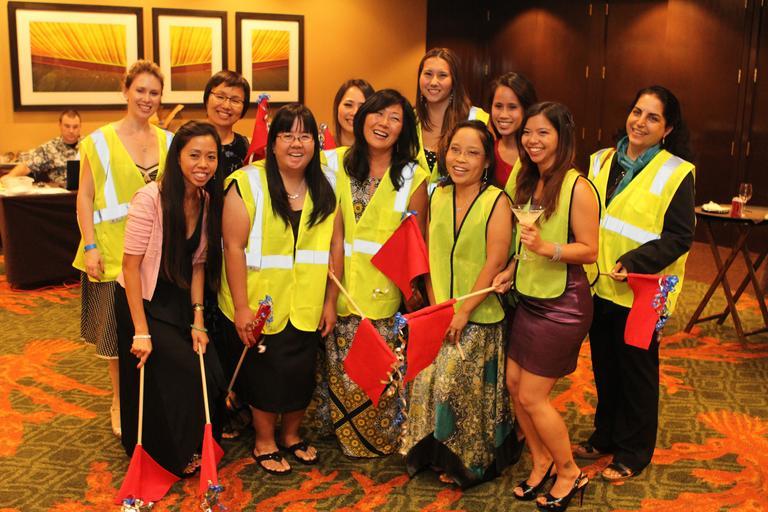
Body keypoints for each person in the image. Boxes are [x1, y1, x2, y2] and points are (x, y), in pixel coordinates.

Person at [575, 86, 695, 483]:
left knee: (637, 373)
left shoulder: (676, 172)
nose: (640, 122)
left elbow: (679, 237)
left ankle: (634, 451)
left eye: (653, 117)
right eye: (637, 112)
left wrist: (634, 261)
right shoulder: (600, 160)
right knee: (605, 366)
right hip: (600, 284)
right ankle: (606, 434)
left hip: (644, 290)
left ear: (668, 128)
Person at [218, 104, 343, 475]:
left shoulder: (327, 183)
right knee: (265, 373)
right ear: (272, 143)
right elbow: (233, 247)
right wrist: (241, 307)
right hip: (260, 301)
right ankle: (264, 440)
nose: (296, 143)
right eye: (287, 135)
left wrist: (331, 300)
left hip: (306, 300)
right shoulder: (247, 183)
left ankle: (290, 434)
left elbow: (335, 245)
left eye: (305, 136)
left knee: (301, 371)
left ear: (315, 143)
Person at [493, 102, 598, 510]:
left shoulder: (578, 186)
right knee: (514, 386)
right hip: (530, 297)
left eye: (543, 133)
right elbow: (524, 244)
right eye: (527, 132)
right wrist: (512, 267)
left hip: (564, 304)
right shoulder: (527, 178)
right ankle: (541, 461)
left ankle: (569, 471)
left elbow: (589, 250)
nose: (532, 140)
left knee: (534, 396)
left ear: (561, 137)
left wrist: (546, 248)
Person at [403, 120, 517, 488]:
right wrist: (439, 308)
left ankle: (468, 460)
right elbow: (428, 253)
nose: (460, 159)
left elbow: (495, 260)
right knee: (426, 381)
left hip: (479, 315)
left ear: (486, 161)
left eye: (472, 153)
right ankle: (432, 453)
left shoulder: (497, 201)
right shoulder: (437, 195)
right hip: (441, 311)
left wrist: (463, 312)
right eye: (455, 150)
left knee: (453, 382)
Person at [114, 120, 225, 477]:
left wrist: (198, 320)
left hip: (178, 302)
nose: (203, 164)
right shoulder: (150, 199)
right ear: (177, 157)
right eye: (194, 155)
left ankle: (193, 441)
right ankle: (167, 451)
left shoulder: (205, 200)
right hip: (141, 301)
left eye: (211, 157)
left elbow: (198, 266)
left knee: (211, 369)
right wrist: (140, 331)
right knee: (184, 370)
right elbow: (130, 267)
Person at [324, 89, 428, 458]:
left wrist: (412, 292)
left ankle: (378, 440)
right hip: (339, 287)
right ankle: (343, 434)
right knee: (341, 371)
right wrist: (329, 296)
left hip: (385, 294)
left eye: (394, 118)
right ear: (363, 117)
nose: (383, 123)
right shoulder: (334, 163)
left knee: (376, 375)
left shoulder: (413, 176)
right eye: (377, 114)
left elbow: (416, 241)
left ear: (404, 129)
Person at [72, 60, 173, 439]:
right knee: (115, 338)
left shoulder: (169, 141)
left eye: (154, 92)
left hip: (156, 256)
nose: (147, 98)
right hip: (110, 254)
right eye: (140, 90)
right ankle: (119, 400)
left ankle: (153, 399)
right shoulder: (98, 141)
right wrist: (90, 245)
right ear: (125, 91)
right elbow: (84, 198)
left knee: (153, 332)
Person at [415, 47, 489, 188]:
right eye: (428, 74)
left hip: (461, 201)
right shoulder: (409, 119)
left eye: (442, 75)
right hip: (412, 203)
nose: (433, 82)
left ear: (454, 81)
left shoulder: (477, 118)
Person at [4, 110, 81, 188]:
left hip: (85, 191)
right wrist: (9, 177)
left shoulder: (87, 145)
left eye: (75, 127)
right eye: (67, 126)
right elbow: (27, 166)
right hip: (61, 192)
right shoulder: (50, 147)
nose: (71, 131)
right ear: (60, 125)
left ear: (80, 127)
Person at [488, 72, 538, 188]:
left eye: (512, 107)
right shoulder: (486, 152)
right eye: (498, 106)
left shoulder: (538, 153)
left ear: (527, 109)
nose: (503, 115)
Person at [203, 70, 251, 178]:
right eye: (220, 97)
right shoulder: (187, 140)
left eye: (235, 100)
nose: (226, 106)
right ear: (207, 99)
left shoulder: (247, 147)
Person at [331, 79, 375, 147]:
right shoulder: (320, 147)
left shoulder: (378, 152)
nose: (355, 113)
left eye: (362, 107)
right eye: (348, 105)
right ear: (337, 106)